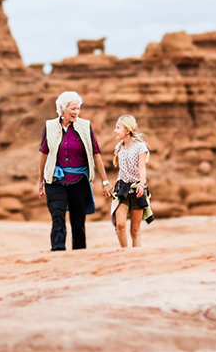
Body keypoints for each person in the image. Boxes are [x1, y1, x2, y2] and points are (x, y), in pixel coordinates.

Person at [37, 91, 113, 251]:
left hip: (79, 180)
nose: (76, 112)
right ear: (62, 108)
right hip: (55, 180)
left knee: (78, 222)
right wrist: (41, 181)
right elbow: (44, 154)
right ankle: (57, 250)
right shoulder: (50, 126)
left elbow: (96, 154)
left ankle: (79, 255)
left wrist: (105, 182)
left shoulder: (85, 127)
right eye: (73, 108)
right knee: (57, 217)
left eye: (78, 108)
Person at [110, 115, 150, 247]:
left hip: (137, 190)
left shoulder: (140, 147)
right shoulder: (118, 148)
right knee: (120, 225)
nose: (115, 130)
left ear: (127, 131)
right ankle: (124, 252)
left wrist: (141, 184)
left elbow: (142, 168)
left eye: (118, 128)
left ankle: (136, 257)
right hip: (123, 189)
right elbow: (120, 170)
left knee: (135, 230)